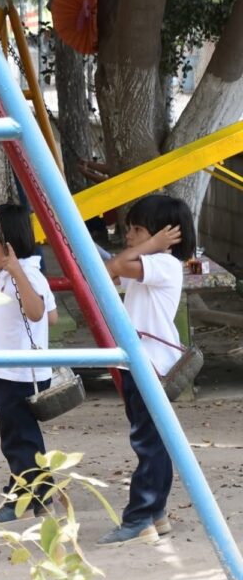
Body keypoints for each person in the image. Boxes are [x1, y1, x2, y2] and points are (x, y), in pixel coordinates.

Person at [97, 194, 195, 546]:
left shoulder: (164, 264)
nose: (129, 236)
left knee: (148, 442)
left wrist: (152, 245)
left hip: (150, 364)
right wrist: (146, 244)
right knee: (151, 440)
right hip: (141, 362)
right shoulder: (148, 264)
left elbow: (113, 267)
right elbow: (111, 270)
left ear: (166, 235)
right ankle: (156, 514)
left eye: (136, 229)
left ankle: (140, 517)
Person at [0, 205, 59, 523]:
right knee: (19, 436)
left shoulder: (24, 274)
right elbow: (52, 316)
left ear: (7, 244)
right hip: (10, 369)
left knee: (19, 438)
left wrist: (18, 275)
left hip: (19, 372)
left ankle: (31, 497)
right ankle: (29, 490)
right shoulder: (20, 274)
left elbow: (37, 313)